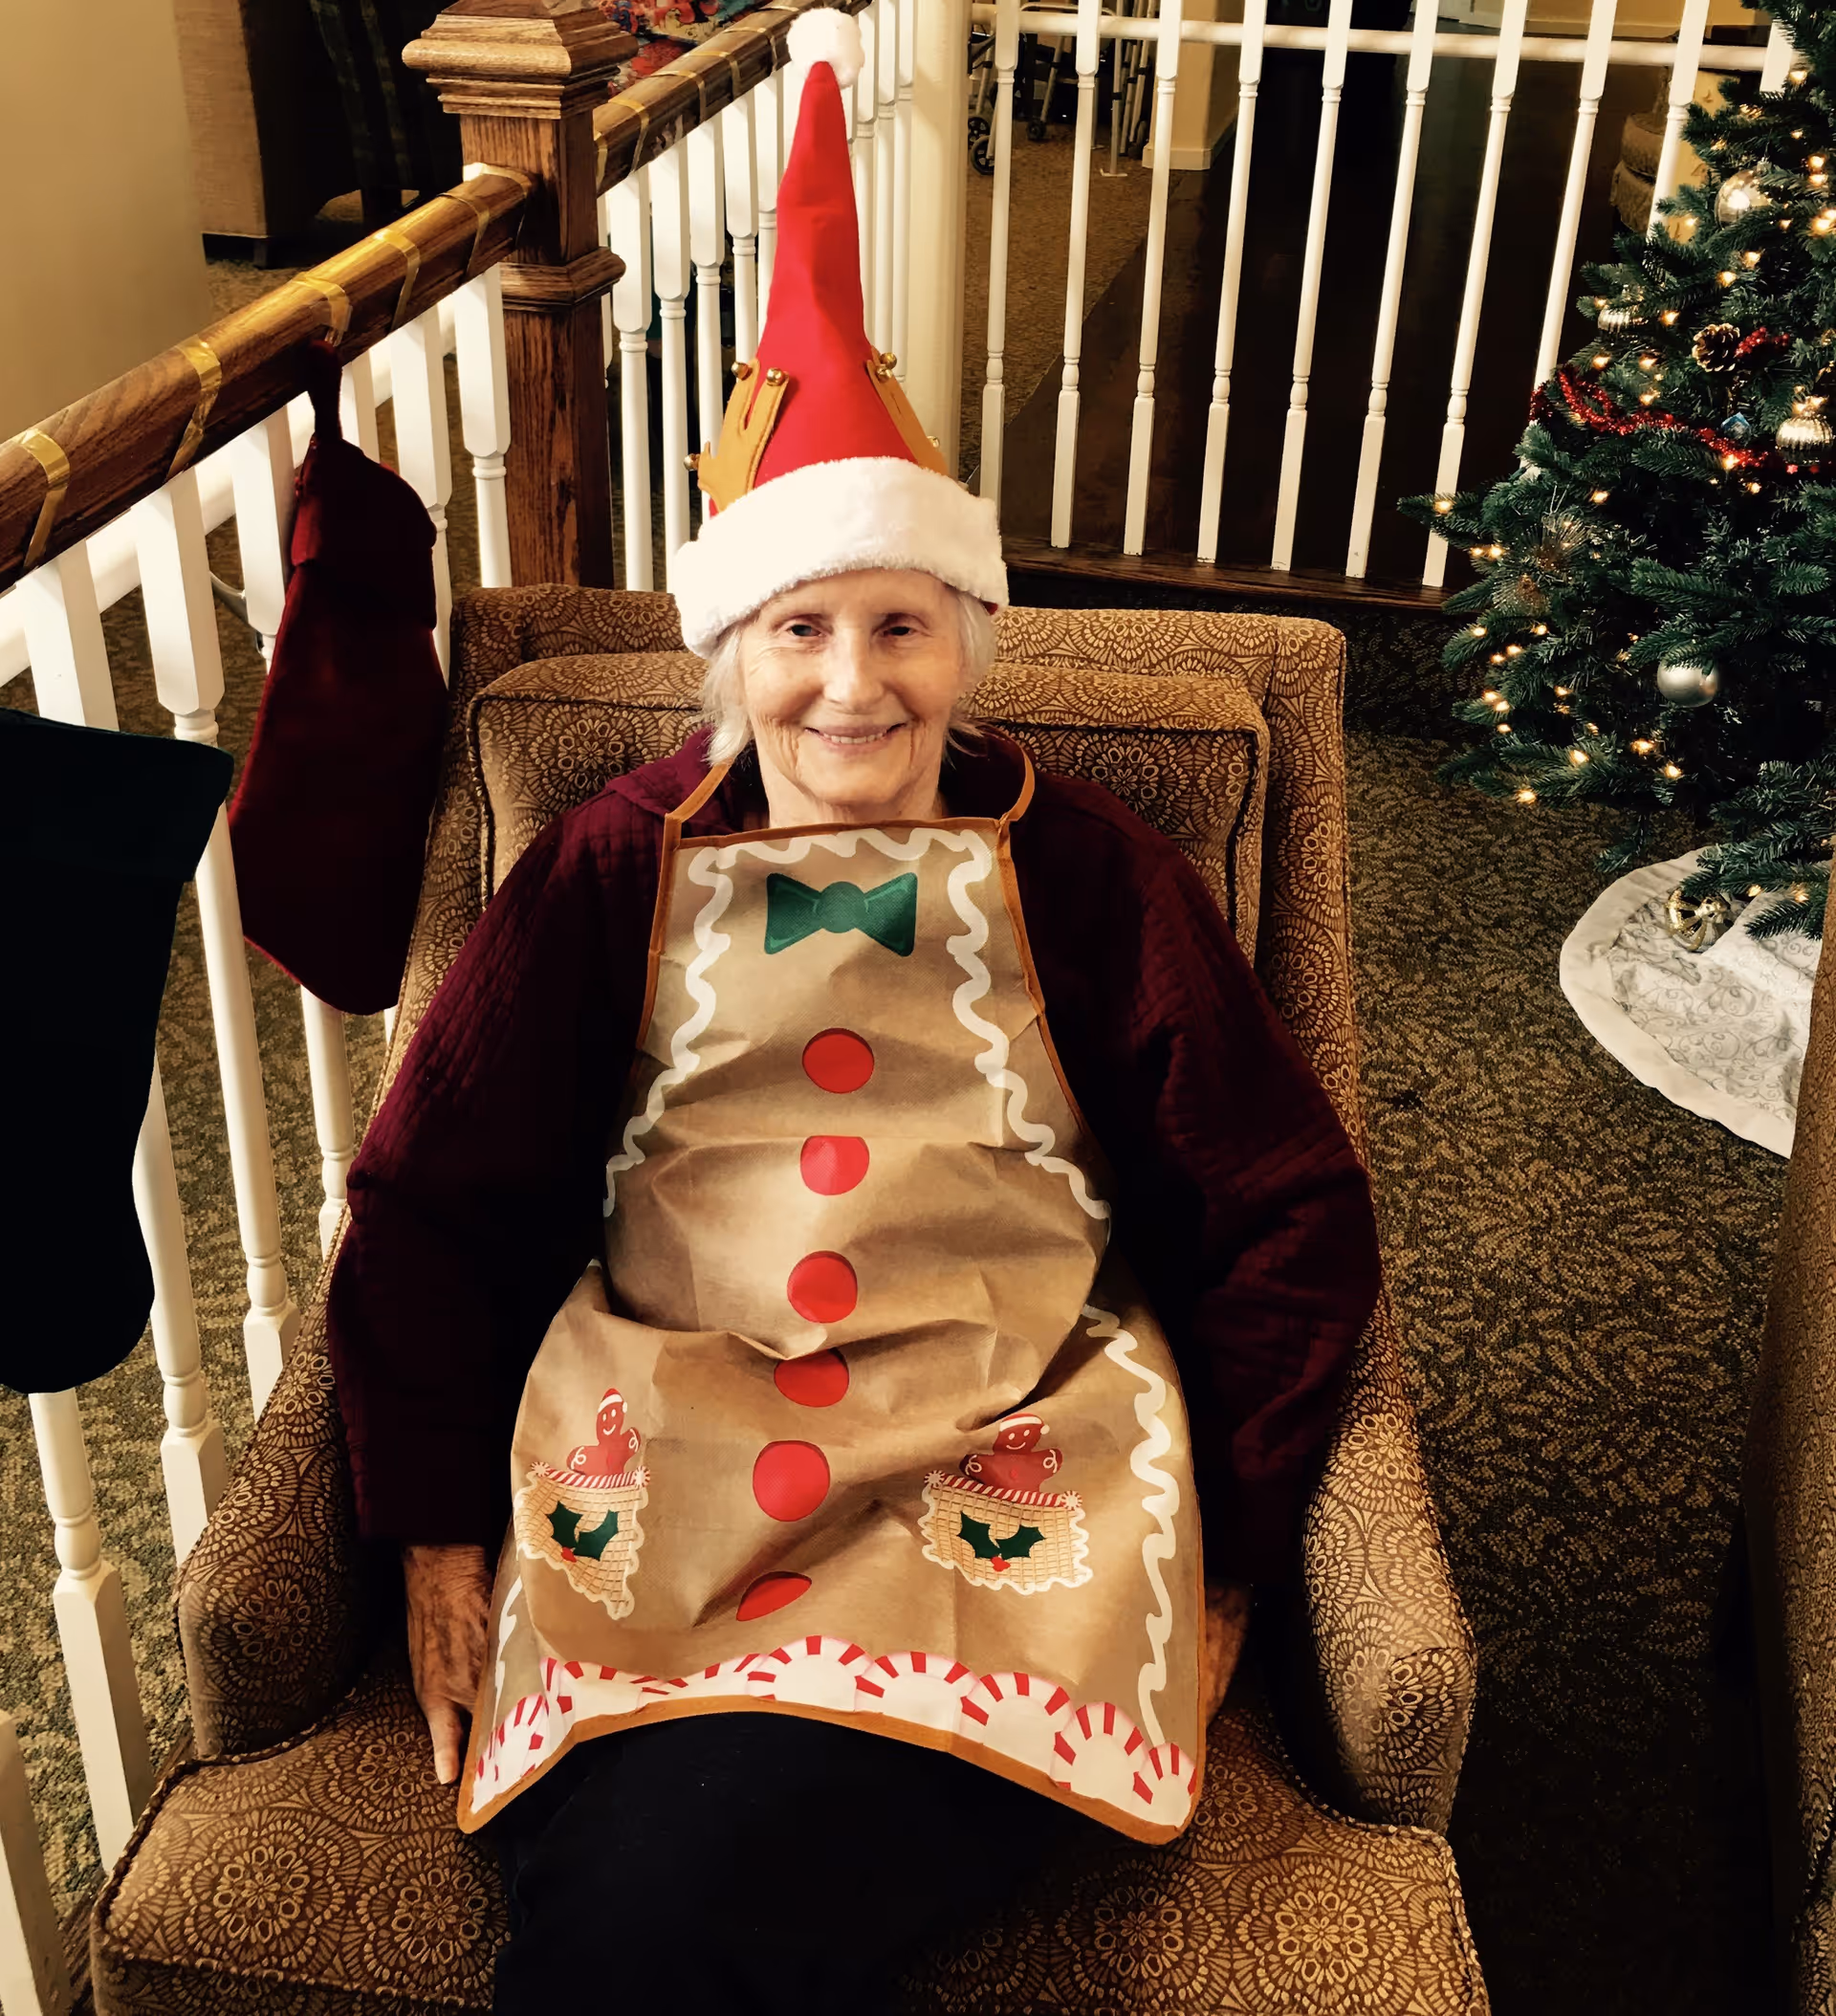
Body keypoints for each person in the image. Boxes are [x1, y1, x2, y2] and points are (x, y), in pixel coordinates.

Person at [326, 11, 1381, 2010]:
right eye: (799, 629)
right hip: (676, 1425)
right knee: (652, 1881)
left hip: (1003, 1433)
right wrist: (432, 1528)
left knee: (688, 1895)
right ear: (729, 654)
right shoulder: (614, 862)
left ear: (967, 637)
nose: (851, 685)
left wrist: (1235, 1545)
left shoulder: (1092, 873)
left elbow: (1284, 1204)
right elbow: (433, 1196)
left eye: (901, 623)